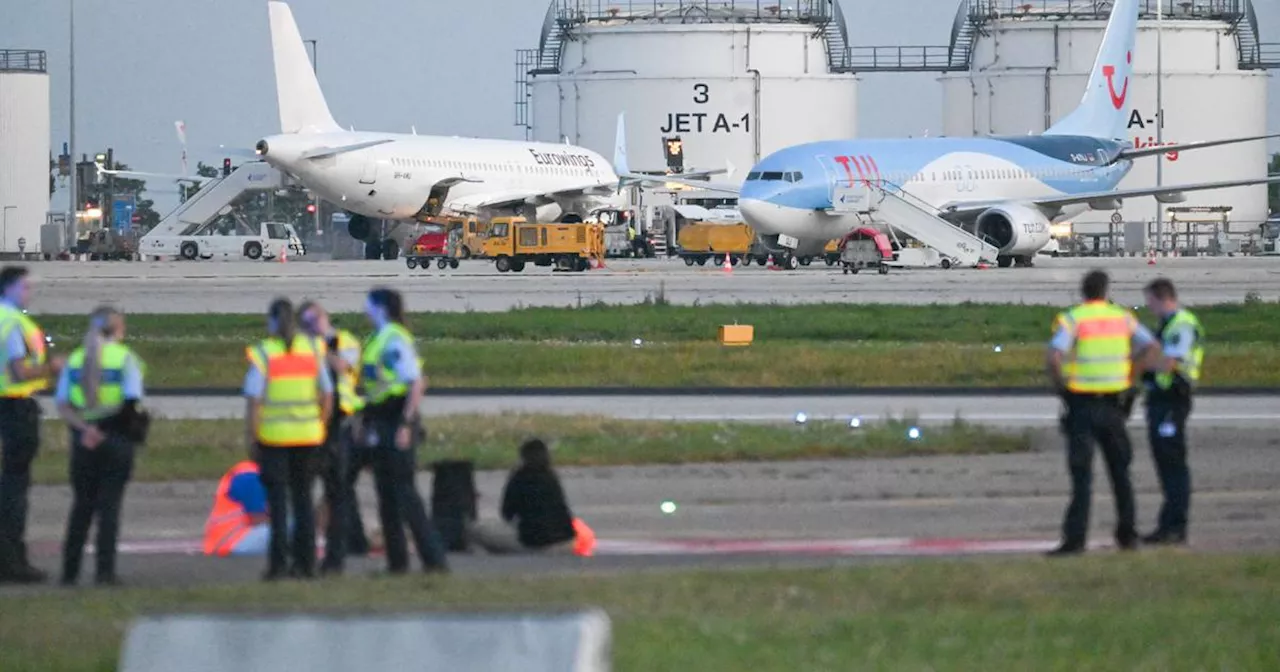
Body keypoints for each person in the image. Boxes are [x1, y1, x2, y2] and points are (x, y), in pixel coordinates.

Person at [1045, 269, 1158, 557]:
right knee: (1121, 473)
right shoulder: (1122, 318)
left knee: (1082, 476)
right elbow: (1151, 347)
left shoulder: (1074, 319)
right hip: (1113, 405)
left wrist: (1063, 388)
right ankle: (1127, 535)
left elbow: (1054, 355)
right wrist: (1132, 377)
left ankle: (1075, 540)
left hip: (1081, 404)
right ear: (1106, 291)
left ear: (1083, 292)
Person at [358, 287, 448, 574]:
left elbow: (416, 382)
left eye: (369, 306)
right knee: (386, 493)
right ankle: (397, 562)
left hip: (396, 418)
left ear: (381, 308)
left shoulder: (394, 339)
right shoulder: (376, 338)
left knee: (405, 493)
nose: (365, 311)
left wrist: (406, 424)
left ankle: (434, 560)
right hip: (379, 418)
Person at [243, 298, 333, 580]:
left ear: (271, 321)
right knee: (304, 501)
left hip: (274, 439)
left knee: (279, 506)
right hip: (308, 437)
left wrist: (253, 436)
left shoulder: (264, 353)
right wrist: (319, 423)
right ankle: (307, 565)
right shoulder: (313, 349)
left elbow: (254, 401)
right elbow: (327, 394)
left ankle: (279, 565)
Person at [56, 306, 146, 586]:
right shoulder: (124, 359)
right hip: (116, 439)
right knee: (109, 508)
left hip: (82, 440)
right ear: (118, 328)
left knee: (81, 506)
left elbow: (63, 404)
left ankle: (69, 573)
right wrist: (104, 430)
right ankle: (104, 573)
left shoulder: (75, 359)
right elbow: (130, 403)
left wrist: (86, 429)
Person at [0, 265, 64, 583]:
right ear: (9, 288)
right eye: (25, 287)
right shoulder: (11, 322)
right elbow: (18, 372)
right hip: (13, 408)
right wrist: (52, 367)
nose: (30, 292)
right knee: (14, 488)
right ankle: (12, 563)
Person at [297, 300, 368, 574]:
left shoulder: (344, 341)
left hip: (344, 420)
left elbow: (344, 367)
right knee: (339, 487)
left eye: (316, 319)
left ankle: (348, 544)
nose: (312, 326)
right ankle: (353, 540)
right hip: (314, 421)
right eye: (307, 322)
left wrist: (321, 348)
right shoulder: (303, 345)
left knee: (340, 485)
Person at [1140, 278, 1203, 546]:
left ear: (1161, 297)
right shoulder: (1167, 325)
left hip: (1173, 400)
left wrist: (1144, 363)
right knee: (1165, 463)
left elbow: (1168, 363)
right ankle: (1168, 524)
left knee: (1173, 463)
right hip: (1160, 400)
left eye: (1150, 301)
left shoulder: (1182, 324)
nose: (1149, 307)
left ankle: (1176, 526)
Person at [469, 438, 580, 555]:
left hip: (536, 545)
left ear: (523, 457)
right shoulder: (551, 476)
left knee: (474, 530)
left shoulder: (519, 477)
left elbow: (507, 514)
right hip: (567, 542)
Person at [204, 461, 272, 557]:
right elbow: (258, 520)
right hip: (231, 542)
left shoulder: (254, 473)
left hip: (228, 541)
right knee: (292, 529)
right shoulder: (250, 476)